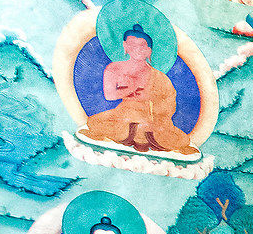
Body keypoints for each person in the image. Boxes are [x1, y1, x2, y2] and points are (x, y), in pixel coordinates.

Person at [77, 25, 192, 156]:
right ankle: (137, 133)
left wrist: (152, 108)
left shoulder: (159, 77)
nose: (137, 49)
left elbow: (169, 103)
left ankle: (143, 133)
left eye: (142, 46)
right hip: (124, 115)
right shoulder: (114, 68)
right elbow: (109, 96)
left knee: (179, 138)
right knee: (96, 122)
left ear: (149, 50)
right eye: (132, 44)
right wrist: (130, 88)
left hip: (152, 120)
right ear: (125, 46)